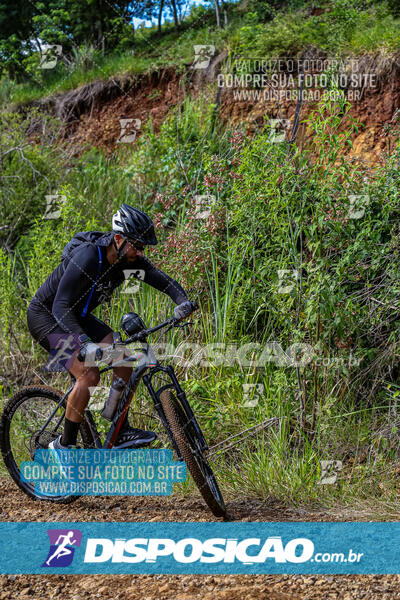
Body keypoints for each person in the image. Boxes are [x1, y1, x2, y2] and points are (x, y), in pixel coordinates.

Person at [27, 203, 195, 450]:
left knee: (125, 360)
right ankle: (64, 447)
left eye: (143, 247)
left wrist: (183, 302)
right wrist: (83, 343)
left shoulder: (128, 261)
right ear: (118, 239)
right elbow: (60, 306)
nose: (140, 252)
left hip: (77, 317)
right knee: (89, 373)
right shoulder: (87, 256)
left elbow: (163, 281)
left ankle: (119, 429)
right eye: (137, 246)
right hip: (47, 317)